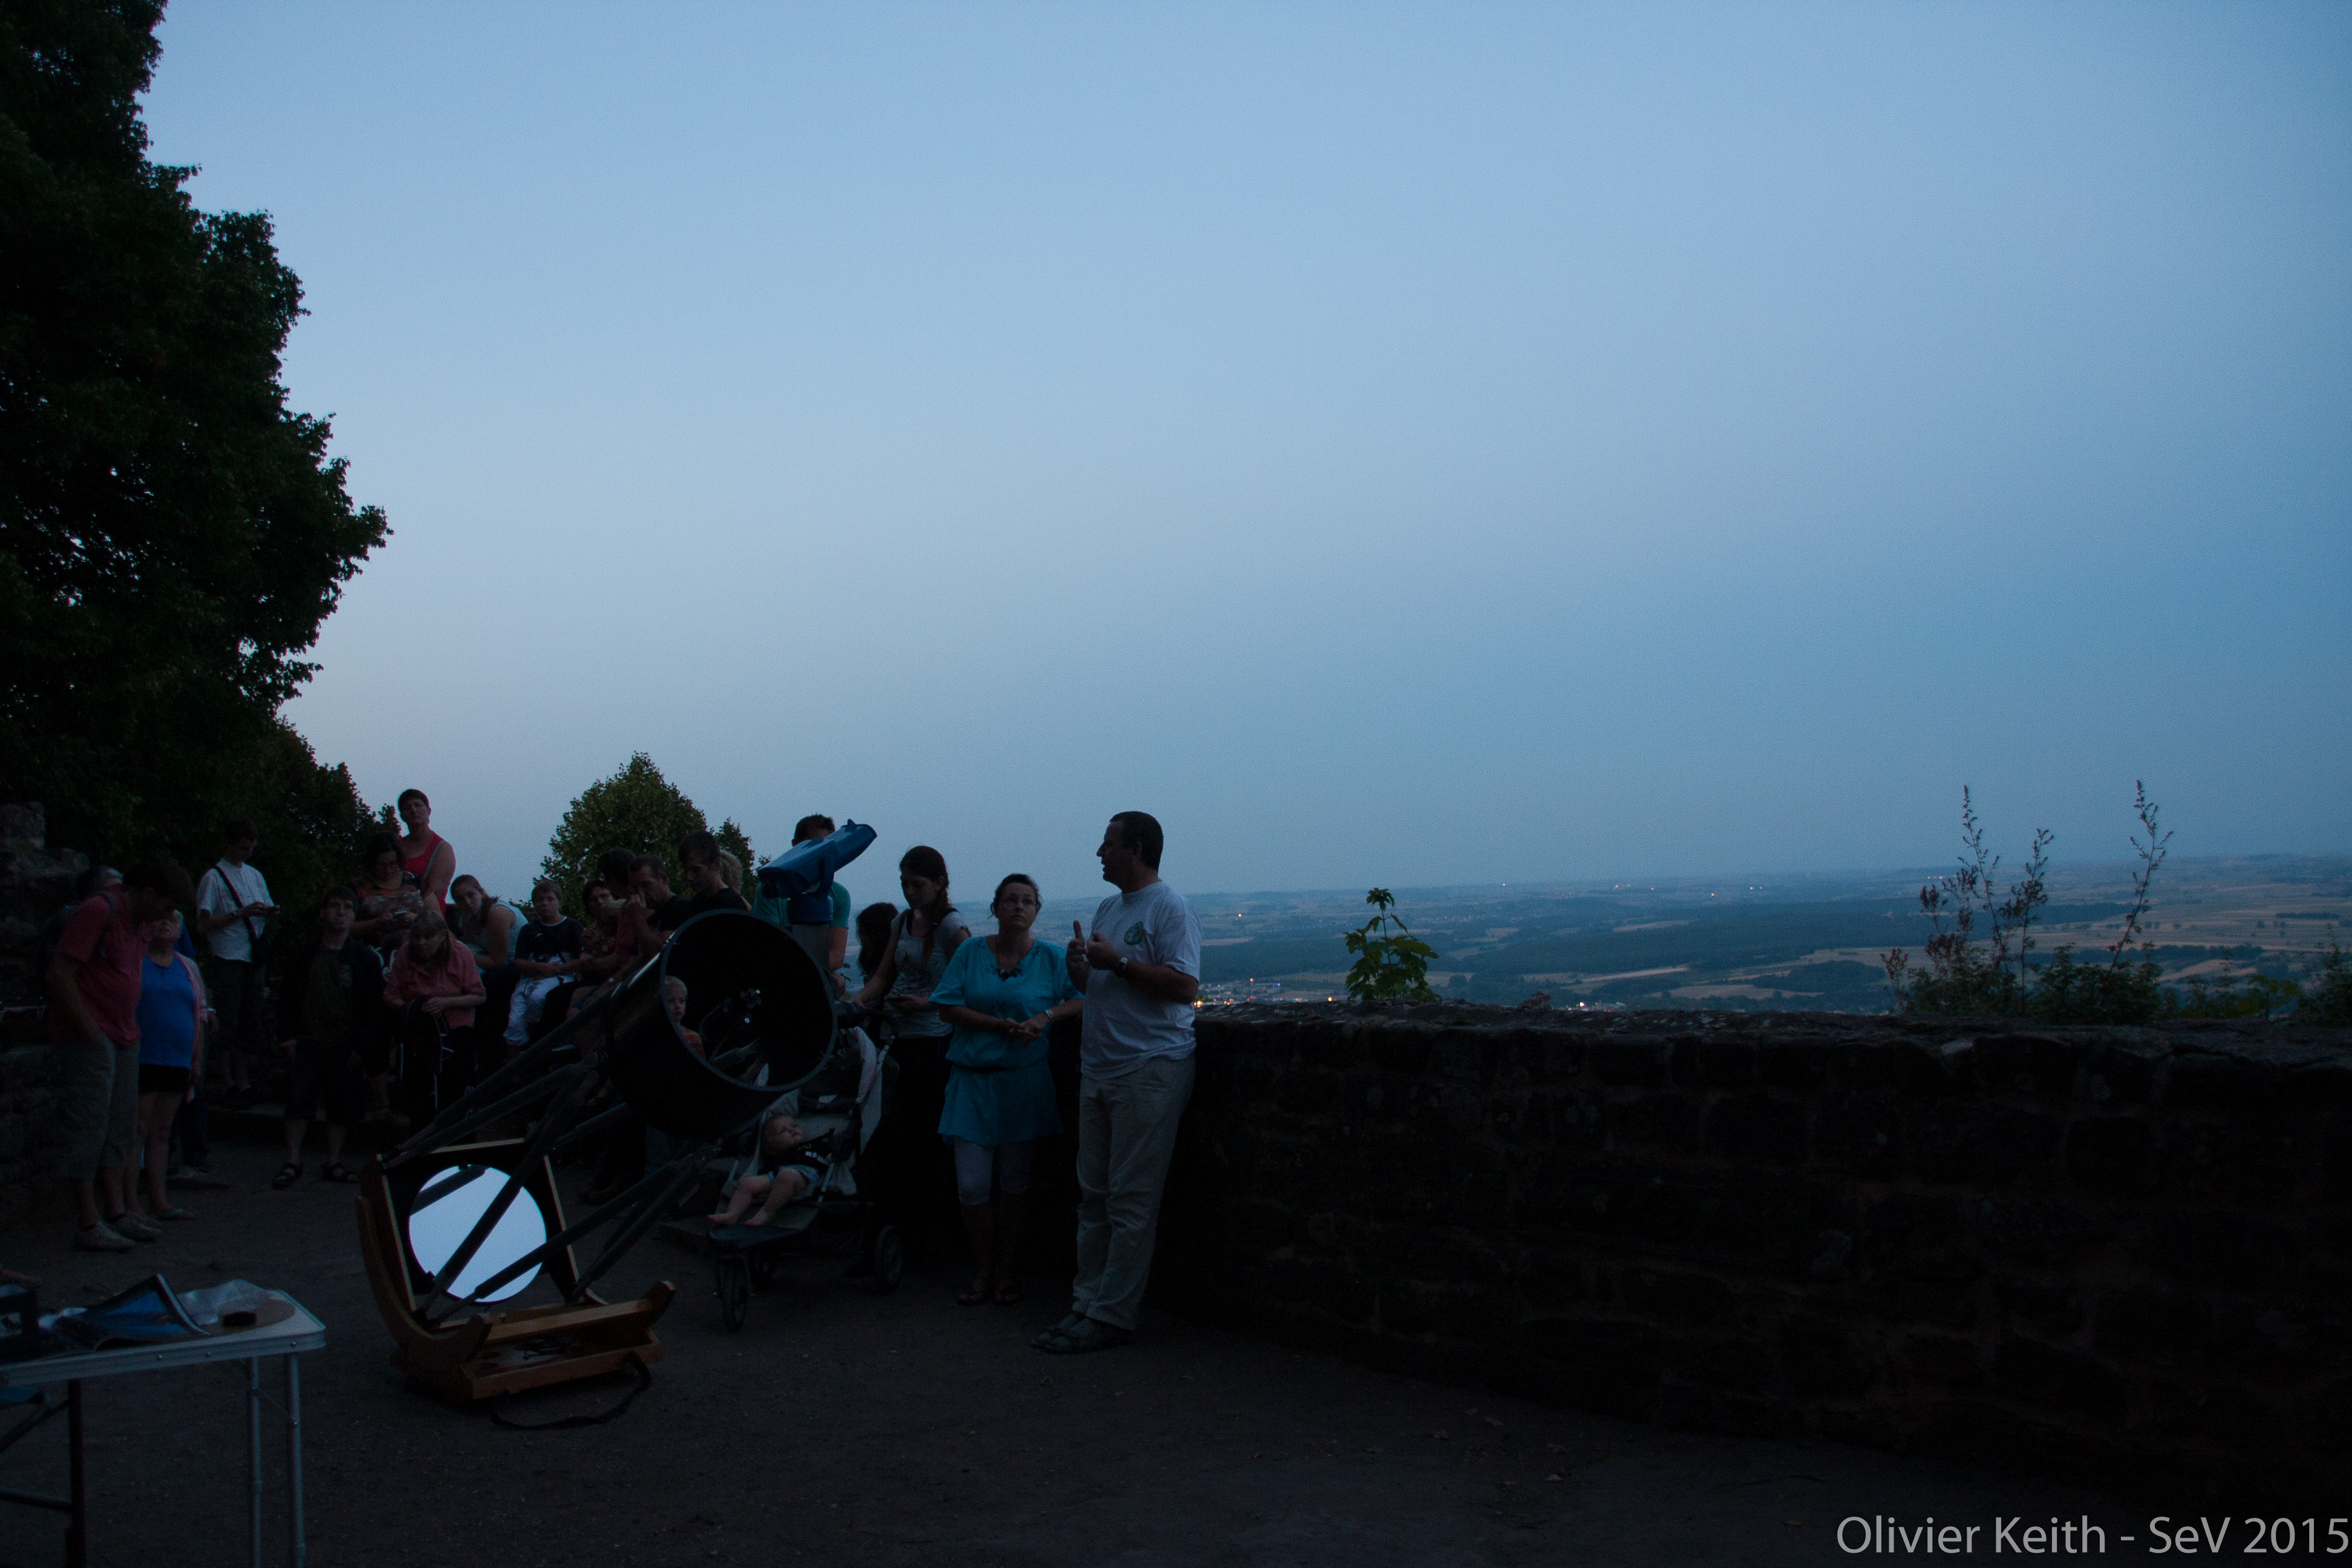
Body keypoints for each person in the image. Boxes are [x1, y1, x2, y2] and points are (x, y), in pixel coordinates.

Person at [1034, 812, 1201, 1356]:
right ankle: (1086, 1304)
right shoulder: (1111, 907)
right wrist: (1083, 967)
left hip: (1149, 1068)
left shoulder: (1169, 908)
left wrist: (1121, 962)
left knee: (1130, 1201)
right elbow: (1100, 984)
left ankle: (1111, 1314)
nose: (1098, 853)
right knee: (1094, 1196)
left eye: (1107, 844)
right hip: (1101, 1067)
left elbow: (1183, 986)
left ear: (1134, 849)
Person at [931, 874, 1083, 1305]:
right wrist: (999, 1026)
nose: (1019, 907)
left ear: (1037, 911)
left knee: (1015, 1185)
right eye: (1010, 900)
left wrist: (1046, 1016)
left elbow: (1082, 999)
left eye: (1027, 901)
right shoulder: (970, 953)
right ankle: (986, 1264)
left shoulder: (1052, 958)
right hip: (971, 1081)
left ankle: (1005, 1269)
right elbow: (947, 1007)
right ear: (995, 909)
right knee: (972, 1187)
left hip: (1023, 1083)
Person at [46, 862, 190, 1252]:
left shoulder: (139, 921)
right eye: (165, 905)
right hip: (94, 1034)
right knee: (89, 1123)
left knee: (120, 1125)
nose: (166, 916)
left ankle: (116, 1212)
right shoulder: (98, 911)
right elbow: (60, 972)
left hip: (126, 1034)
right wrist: (89, 1031)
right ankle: (87, 1220)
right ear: (146, 894)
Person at [854, 847, 967, 1236]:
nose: (909, 892)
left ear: (939, 883)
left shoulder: (953, 928)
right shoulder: (902, 922)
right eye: (904, 884)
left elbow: (964, 986)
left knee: (924, 1134)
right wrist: (854, 1003)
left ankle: (927, 1225)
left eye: (917, 885)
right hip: (896, 1035)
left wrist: (925, 1003)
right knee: (893, 1133)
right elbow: (883, 976)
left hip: (933, 1041)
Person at [273, 887, 380, 1188]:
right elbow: (287, 998)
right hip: (306, 1040)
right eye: (335, 906)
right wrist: (287, 1037)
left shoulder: (364, 959)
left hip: (345, 1043)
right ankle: (293, 1159)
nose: (341, 912)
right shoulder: (304, 953)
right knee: (297, 1102)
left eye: (348, 907)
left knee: (341, 1106)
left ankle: (333, 1160)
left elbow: (373, 1008)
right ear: (323, 913)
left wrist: (363, 1046)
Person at [131, 910, 206, 1224]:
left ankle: (158, 1200)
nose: (165, 923)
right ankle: (130, 1202)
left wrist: (196, 1058)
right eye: (158, 918)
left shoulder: (188, 967)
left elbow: (199, 1013)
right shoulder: (136, 961)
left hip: (176, 1058)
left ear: (180, 931)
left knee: (161, 1131)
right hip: (142, 1055)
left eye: (173, 920)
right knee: (137, 1130)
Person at [192, 819, 273, 1108]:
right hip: (228, 956)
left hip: (252, 957)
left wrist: (266, 913)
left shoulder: (254, 875)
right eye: (242, 848)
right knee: (227, 1020)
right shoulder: (213, 878)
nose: (246, 854)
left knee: (250, 1020)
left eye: (250, 849)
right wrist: (239, 914)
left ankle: (243, 1081)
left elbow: (263, 906)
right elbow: (202, 925)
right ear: (228, 845)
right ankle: (226, 1082)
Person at [383, 907, 486, 1123]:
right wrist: (413, 1010)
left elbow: (478, 996)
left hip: (457, 1028)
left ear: (441, 936)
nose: (421, 943)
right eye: (417, 937)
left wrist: (446, 1003)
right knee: (420, 1094)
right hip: (420, 1032)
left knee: (457, 1089)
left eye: (428, 937)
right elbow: (391, 995)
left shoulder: (460, 953)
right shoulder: (405, 953)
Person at [752, 814, 854, 986]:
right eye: (814, 846)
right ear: (796, 846)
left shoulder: (840, 895)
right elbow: (769, 946)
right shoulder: (770, 891)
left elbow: (836, 956)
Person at [705, 1109, 823, 1228]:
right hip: (776, 1176)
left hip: (803, 1176)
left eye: (794, 1126)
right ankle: (732, 1214)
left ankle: (768, 1212)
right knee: (748, 1183)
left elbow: (831, 1156)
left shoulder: (816, 1144)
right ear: (773, 1145)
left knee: (787, 1175)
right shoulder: (777, 1153)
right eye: (783, 1131)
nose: (792, 1130)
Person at [449, 874, 518, 1074]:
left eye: (471, 895)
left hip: (516, 968)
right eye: (460, 899)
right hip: (493, 968)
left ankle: (488, 1060)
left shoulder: (497, 914)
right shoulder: (467, 919)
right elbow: (472, 950)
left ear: (482, 892)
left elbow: (497, 961)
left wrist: (459, 950)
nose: (467, 902)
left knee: (480, 994)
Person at [508, 880, 586, 1045]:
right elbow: (519, 961)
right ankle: (516, 1049)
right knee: (515, 1017)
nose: (544, 903)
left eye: (550, 899)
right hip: (531, 978)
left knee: (537, 999)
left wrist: (557, 970)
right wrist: (539, 968)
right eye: (539, 900)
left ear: (559, 902)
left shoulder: (573, 927)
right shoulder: (529, 930)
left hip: (562, 976)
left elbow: (582, 959)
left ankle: (538, 1042)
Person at [395, 788, 457, 912]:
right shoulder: (396, 846)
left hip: (427, 917)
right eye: (408, 808)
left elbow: (431, 893)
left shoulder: (442, 849)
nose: (413, 810)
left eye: (418, 805)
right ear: (402, 816)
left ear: (429, 811)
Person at [678, 831, 750, 918]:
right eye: (685, 870)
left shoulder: (732, 906)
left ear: (715, 864)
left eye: (696, 870)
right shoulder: (697, 903)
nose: (689, 877)